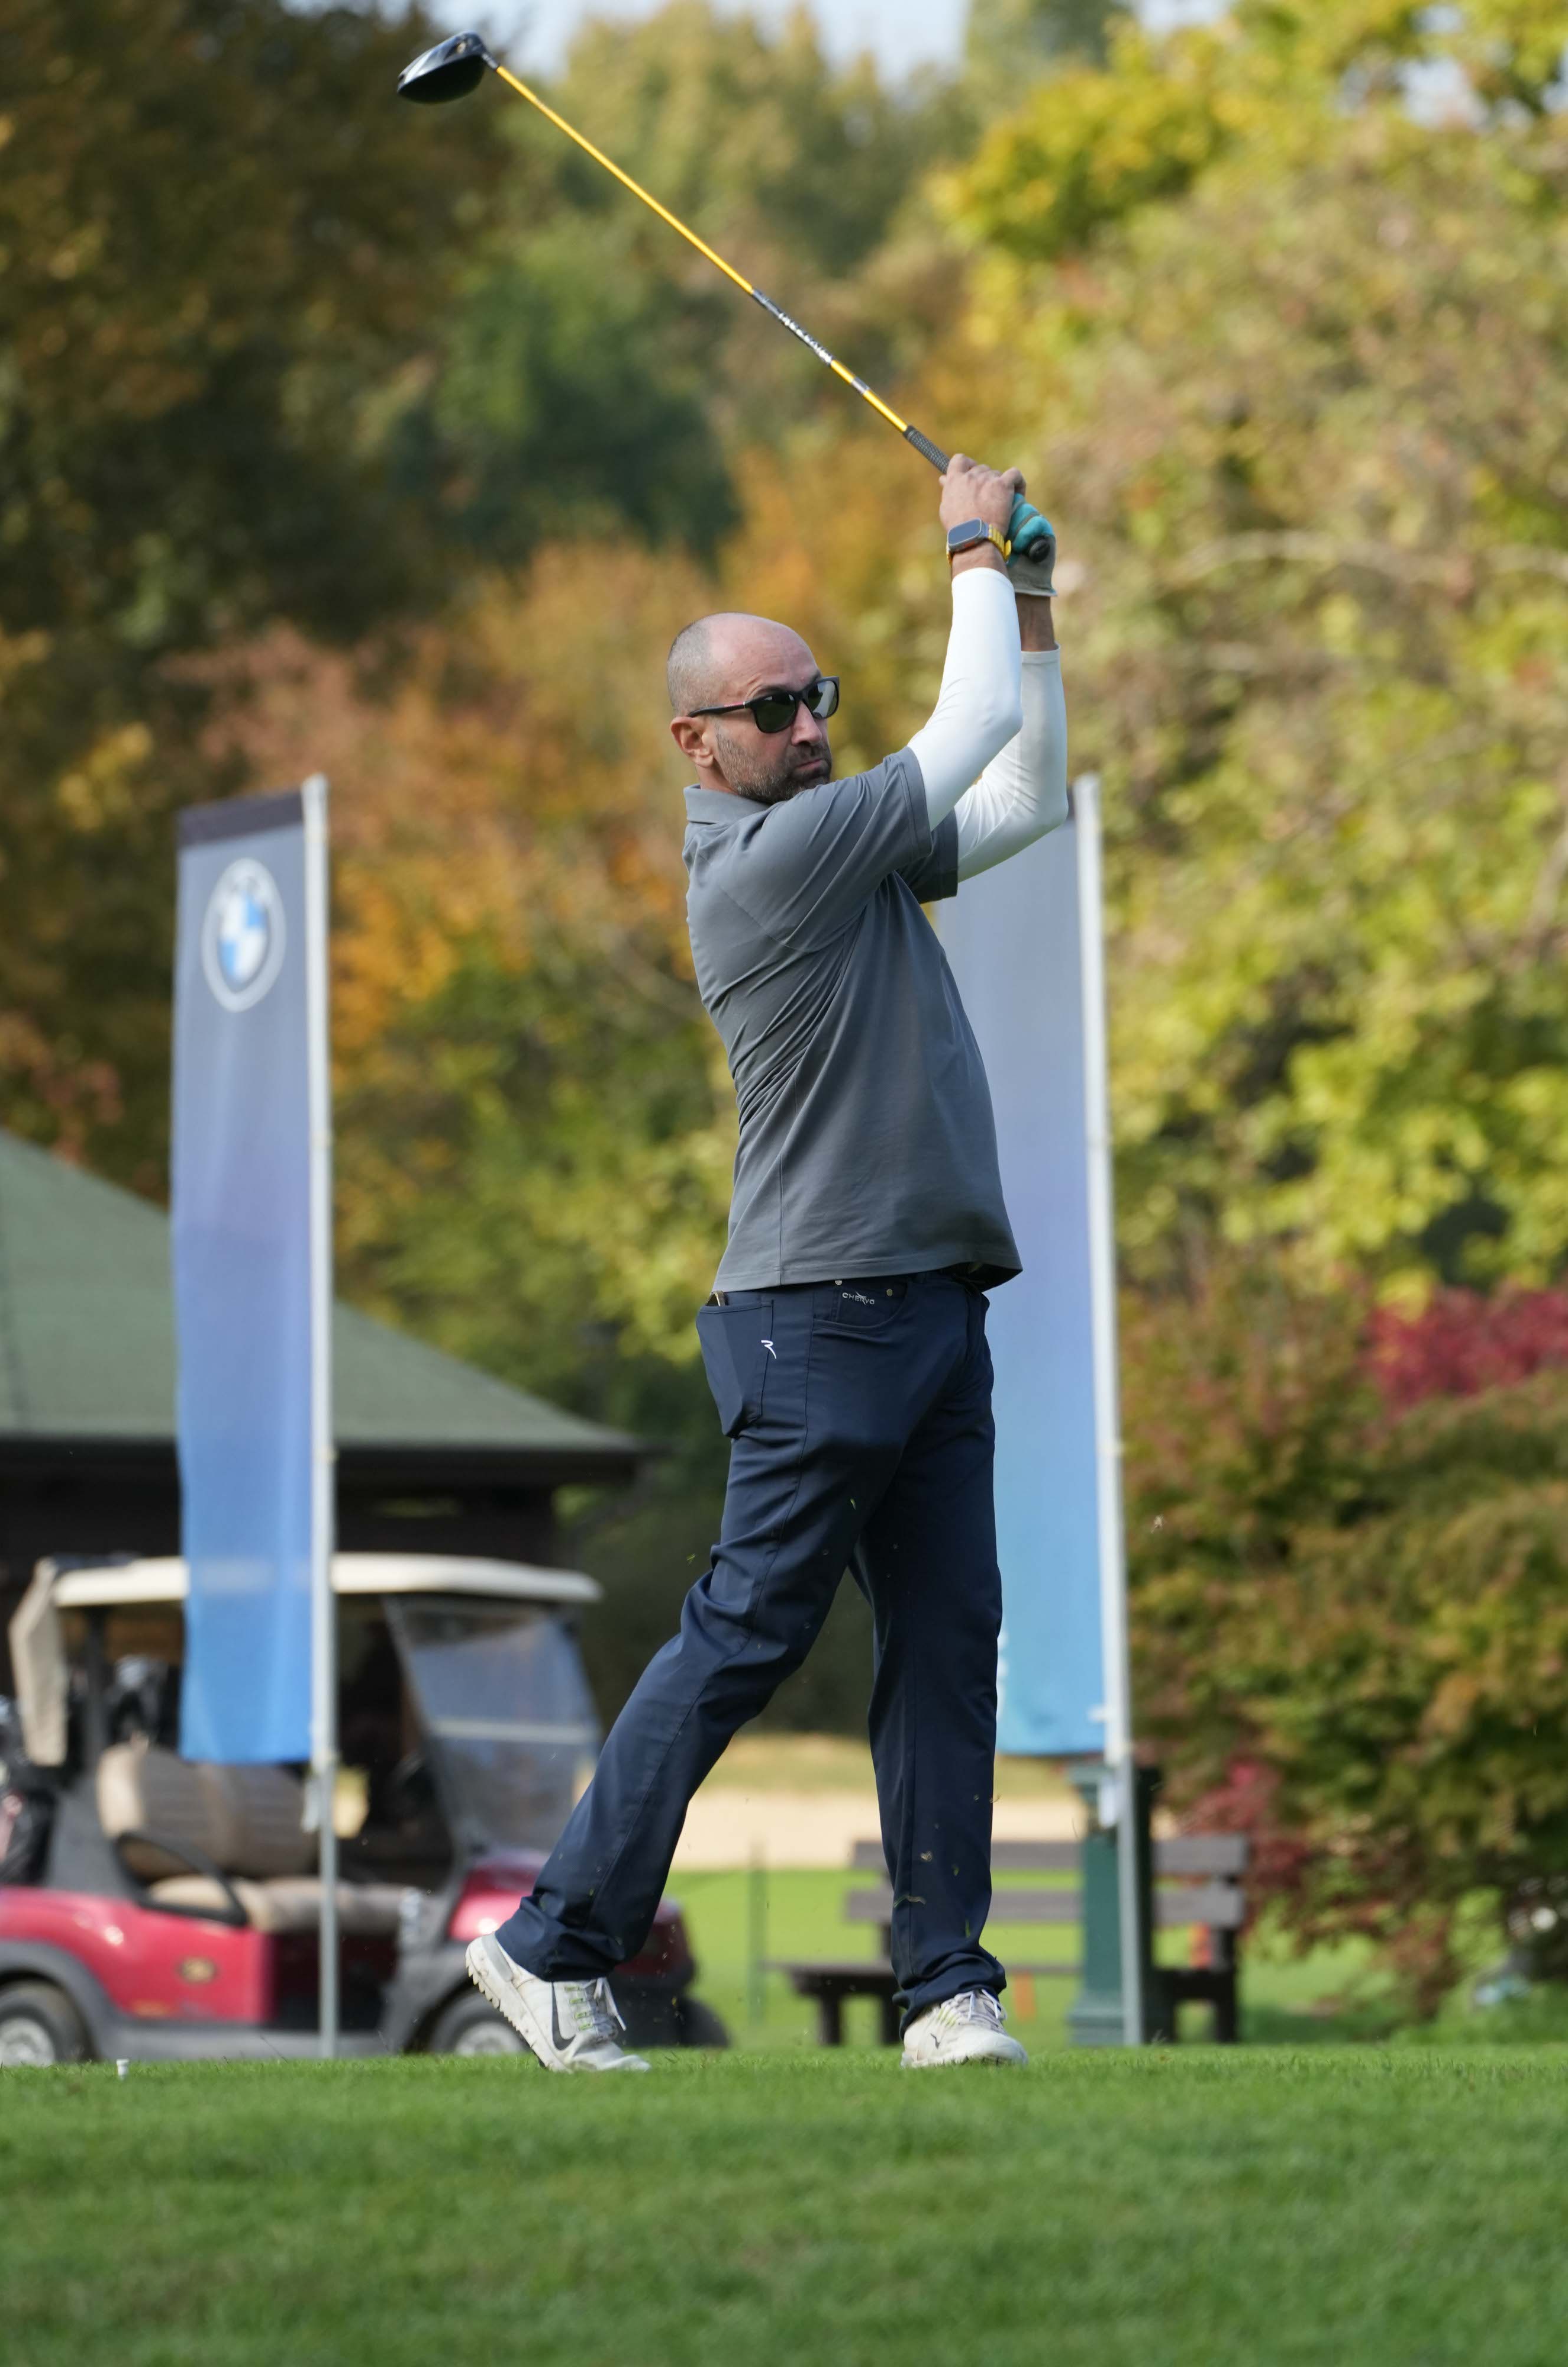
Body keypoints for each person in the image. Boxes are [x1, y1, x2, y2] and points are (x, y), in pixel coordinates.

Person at [469, 455, 1069, 2070]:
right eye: (774, 708)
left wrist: (1028, 600)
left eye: (820, 699)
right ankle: (543, 1946)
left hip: (929, 1304)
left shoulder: (843, 846)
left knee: (945, 1650)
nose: (809, 727)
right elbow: (968, 732)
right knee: (745, 1635)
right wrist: (969, 546)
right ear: (698, 743)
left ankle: (945, 1991)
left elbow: (1024, 799)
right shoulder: (769, 864)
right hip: (819, 1317)